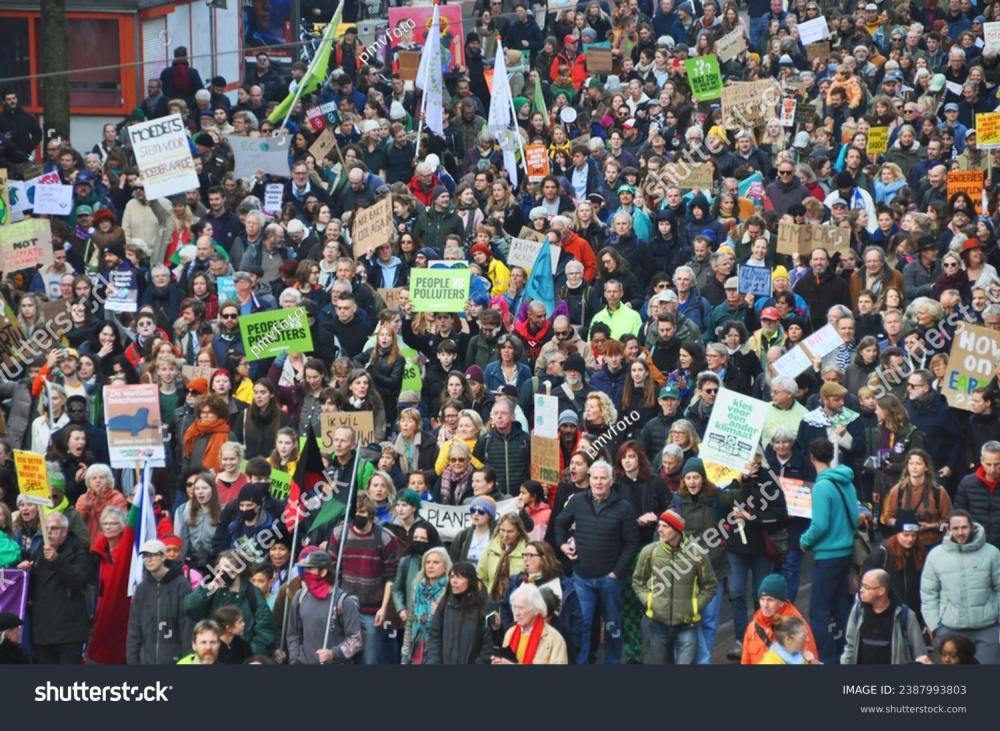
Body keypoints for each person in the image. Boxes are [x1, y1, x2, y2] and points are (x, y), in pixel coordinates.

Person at [554, 459, 640, 664]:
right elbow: (559, 523)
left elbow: (632, 543)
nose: (598, 482)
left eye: (603, 478)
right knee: (582, 625)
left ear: (611, 481)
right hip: (582, 578)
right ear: (589, 479)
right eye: (595, 478)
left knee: (612, 626)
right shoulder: (577, 501)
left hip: (610, 579)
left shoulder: (624, 508)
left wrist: (617, 572)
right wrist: (563, 545)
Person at [800, 437, 859, 664]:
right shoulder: (847, 481)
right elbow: (855, 516)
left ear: (812, 457)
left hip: (827, 556)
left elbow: (820, 525)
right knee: (842, 608)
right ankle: (848, 655)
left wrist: (805, 541)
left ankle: (827, 659)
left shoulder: (822, 486)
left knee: (819, 613)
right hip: (846, 553)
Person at [631, 509, 716, 664]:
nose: (659, 529)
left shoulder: (696, 553)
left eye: (665, 526)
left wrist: (695, 606)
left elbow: (710, 585)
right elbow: (638, 581)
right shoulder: (649, 552)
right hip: (658, 624)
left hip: (687, 624)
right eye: (659, 525)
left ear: (677, 529)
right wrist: (649, 602)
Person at [324, 493, 399, 665]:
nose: (358, 516)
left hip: (372, 610)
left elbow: (391, 577)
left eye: (363, 512)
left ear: (371, 515)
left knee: (370, 658)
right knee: (340, 657)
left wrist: (384, 608)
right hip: (343, 607)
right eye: (356, 512)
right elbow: (332, 571)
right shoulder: (338, 535)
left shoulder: (386, 538)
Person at [920, 510, 1000, 665]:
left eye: (964, 527)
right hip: (950, 630)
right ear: (948, 529)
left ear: (972, 527)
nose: (960, 532)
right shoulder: (935, 556)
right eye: (955, 528)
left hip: (987, 629)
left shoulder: (992, 553)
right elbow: (929, 593)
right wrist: (935, 626)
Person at [25, 512, 94, 663]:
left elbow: (79, 579)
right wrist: (24, 572)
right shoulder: (39, 552)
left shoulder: (79, 549)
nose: (48, 532)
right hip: (43, 631)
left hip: (69, 631)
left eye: (54, 528)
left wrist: (57, 560)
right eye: (46, 528)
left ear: (64, 531)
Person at [183, 549, 277, 657]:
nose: (222, 571)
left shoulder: (252, 593)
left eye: (227, 567)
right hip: (213, 654)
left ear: (238, 570)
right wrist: (209, 588)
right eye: (220, 567)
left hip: (242, 657)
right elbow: (189, 607)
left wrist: (248, 654)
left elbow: (265, 631)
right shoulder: (212, 589)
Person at [286, 549, 363, 665]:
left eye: (310, 569)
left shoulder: (344, 602)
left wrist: (333, 653)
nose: (305, 572)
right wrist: (294, 658)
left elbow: (356, 641)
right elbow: (292, 632)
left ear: (323, 572)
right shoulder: (300, 596)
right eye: (304, 569)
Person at [841, 569, 931, 664]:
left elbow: (920, 654)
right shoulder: (858, 611)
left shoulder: (905, 615)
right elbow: (850, 647)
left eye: (867, 587)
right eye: (861, 585)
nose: (861, 590)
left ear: (881, 591)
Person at [126, 539, 194, 664]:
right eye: (145, 556)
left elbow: (187, 625)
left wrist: (187, 659)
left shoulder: (181, 584)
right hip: (146, 660)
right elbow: (134, 626)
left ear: (163, 557)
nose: (148, 560)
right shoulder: (142, 588)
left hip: (175, 658)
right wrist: (132, 659)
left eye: (152, 555)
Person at [740, 574, 818, 665]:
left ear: (782, 602)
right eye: (762, 599)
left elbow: (811, 661)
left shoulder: (798, 628)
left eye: (770, 600)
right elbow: (745, 661)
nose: (765, 605)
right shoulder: (752, 628)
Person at [426, 561, 494, 664]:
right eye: (452, 577)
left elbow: (487, 645)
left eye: (459, 577)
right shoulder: (445, 604)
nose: (454, 581)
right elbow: (434, 635)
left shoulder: (482, 607)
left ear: (470, 580)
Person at [493, 583, 569, 665]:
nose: (517, 613)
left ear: (536, 610)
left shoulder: (554, 639)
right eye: (514, 607)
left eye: (521, 608)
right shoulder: (510, 633)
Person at [401, 547, 452, 664]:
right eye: (427, 562)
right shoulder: (417, 589)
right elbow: (410, 622)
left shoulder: (449, 591)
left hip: (438, 650)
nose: (430, 566)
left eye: (436, 562)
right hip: (416, 645)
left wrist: (440, 612)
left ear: (445, 567)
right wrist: (404, 654)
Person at [956, 441, 1000, 549]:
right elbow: (959, 514)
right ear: (981, 461)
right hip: (975, 543)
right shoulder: (967, 483)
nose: (992, 469)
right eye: (988, 464)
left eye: (997, 464)